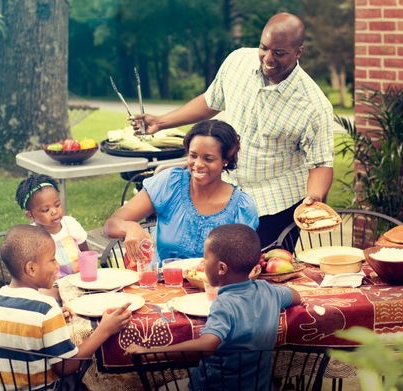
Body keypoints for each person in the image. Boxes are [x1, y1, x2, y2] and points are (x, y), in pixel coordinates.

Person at [130, 12, 335, 249]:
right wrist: (161, 122)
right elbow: (210, 102)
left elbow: (320, 163)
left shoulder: (314, 105)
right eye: (264, 48)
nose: (268, 58)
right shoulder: (237, 61)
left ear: (298, 52)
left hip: (276, 205)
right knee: (218, 272)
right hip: (227, 196)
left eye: (279, 53)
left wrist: (315, 198)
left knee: (264, 276)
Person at [126, 224, 301, 390]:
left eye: (205, 258)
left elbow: (208, 345)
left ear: (221, 268)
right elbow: (295, 296)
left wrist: (151, 351)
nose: (202, 263)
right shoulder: (268, 291)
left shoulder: (224, 304)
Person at [0, 224, 132, 390]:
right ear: (31, 268)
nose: (58, 264)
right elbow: (66, 368)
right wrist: (104, 329)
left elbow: (20, 330)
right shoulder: (46, 308)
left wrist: (49, 324)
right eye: (52, 259)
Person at [105, 120, 258, 266]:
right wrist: (130, 227)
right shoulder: (170, 183)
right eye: (193, 156)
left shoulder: (242, 208)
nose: (197, 164)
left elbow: (242, 266)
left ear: (226, 159)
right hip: (162, 287)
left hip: (215, 290)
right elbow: (112, 224)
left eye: (208, 159)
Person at [16, 174, 89, 276]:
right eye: (46, 210)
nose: (54, 211)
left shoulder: (70, 224)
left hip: (79, 278)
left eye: (57, 205)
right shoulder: (32, 236)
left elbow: (85, 251)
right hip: (52, 285)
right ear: (30, 215)